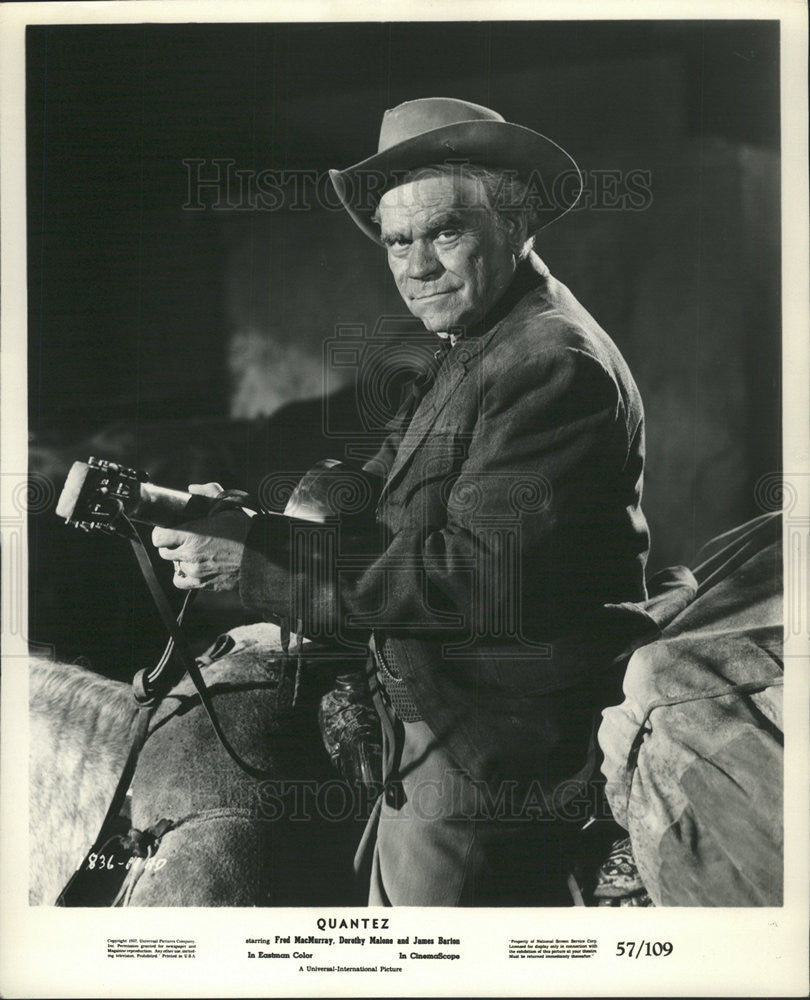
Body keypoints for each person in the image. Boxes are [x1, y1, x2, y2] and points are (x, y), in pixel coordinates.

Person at [152, 98, 651, 906]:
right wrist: (247, 521)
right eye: (397, 242)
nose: (417, 267)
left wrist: (259, 571)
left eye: (446, 232)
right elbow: (379, 485)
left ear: (516, 225)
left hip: (492, 740)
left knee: (415, 956)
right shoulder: (474, 341)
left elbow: (472, 577)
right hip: (430, 699)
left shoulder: (549, 361)